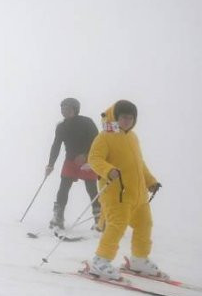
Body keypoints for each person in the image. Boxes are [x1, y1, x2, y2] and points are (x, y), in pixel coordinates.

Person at [87, 100, 164, 280]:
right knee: (117, 226)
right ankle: (100, 261)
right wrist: (108, 170)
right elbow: (94, 159)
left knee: (145, 225)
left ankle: (139, 259)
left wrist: (150, 181)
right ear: (116, 117)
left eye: (131, 118)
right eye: (123, 117)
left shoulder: (133, 137)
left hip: (138, 195)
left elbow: (139, 165)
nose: (127, 121)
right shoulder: (105, 136)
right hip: (116, 194)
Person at [45, 98, 101, 230]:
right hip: (70, 160)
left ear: (75, 109)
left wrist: (86, 155)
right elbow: (56, 146)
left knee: (91, 189)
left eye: (67, 108)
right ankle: (58, 217)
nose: (64, 110)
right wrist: (50, 164)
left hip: (88, 161)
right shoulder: (61, 127)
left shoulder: (86, 122)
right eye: (62, 108)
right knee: (63, 188)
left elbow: (98, 142)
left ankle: (99, 219)